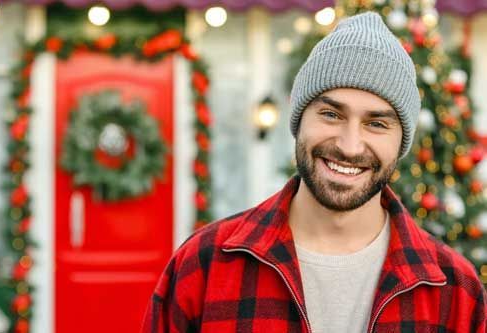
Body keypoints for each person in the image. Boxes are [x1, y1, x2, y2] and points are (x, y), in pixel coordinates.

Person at [141, 12, 486, 333]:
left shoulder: (455, 291)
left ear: (401, 142)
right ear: (299, 119)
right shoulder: (203, 265)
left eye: (377, 123)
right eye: (332, 115)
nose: (350, 146)